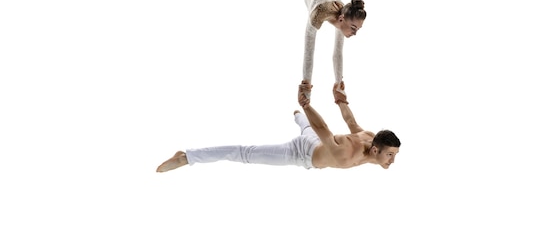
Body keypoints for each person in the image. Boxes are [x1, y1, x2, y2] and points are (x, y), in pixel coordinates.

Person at [189, 0, 380, 100]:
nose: (355, 33)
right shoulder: (319, 13)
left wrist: (338, 82)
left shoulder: (341, 10)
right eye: (354, 28)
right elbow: (308, 52)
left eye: (357, 30)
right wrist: (306, 86)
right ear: (342, 19)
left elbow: (337, 53)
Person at [156, 81, 400, 172]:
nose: (392, 161)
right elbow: (324, 129)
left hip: (317, 142)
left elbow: (351, 122)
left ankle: (298, 117)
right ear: (376, 150)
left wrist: (341, 99)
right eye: (390, 155)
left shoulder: (370, 137)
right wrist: (306, 104)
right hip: (302, 153)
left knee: (307, 130)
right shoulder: (346, 155)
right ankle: (187, 157)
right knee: (245, 154)